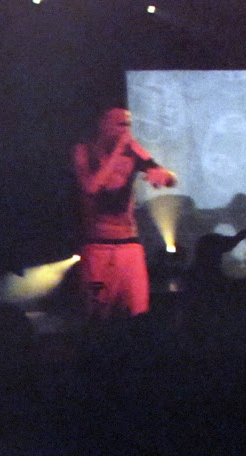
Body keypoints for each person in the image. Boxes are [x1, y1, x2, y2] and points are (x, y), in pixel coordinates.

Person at [73, 106, 177, 320]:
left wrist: (164, 176)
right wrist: (118, 151)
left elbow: (168, 178)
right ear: (104, 125)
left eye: (128, 124)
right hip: (98, 246)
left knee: (138, 312)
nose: (125, 130)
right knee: (98, 314)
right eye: (120, 124)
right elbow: (91, 187)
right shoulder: (84, 151)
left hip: (129, 244)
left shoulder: (134, 152)